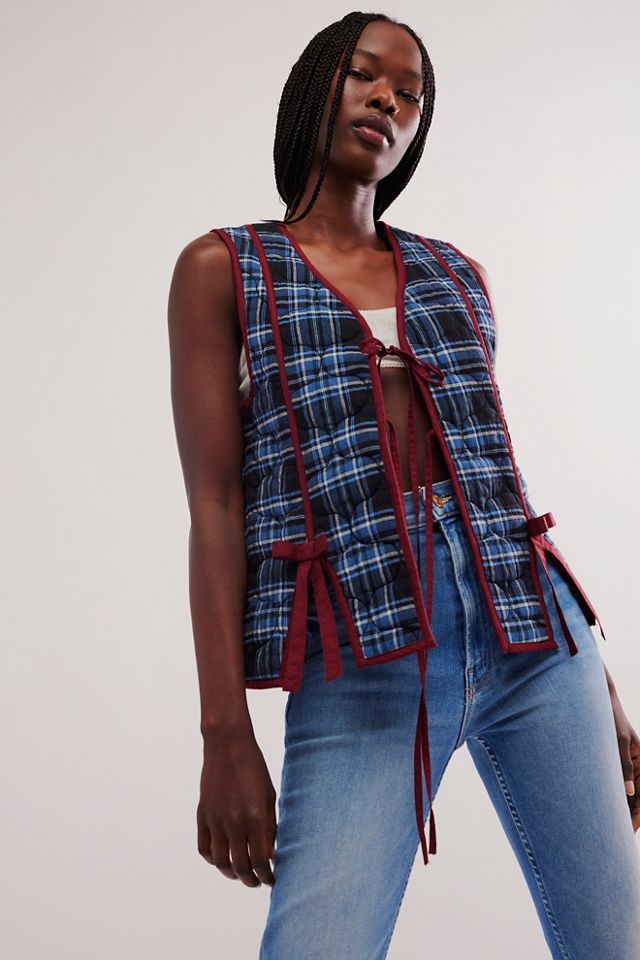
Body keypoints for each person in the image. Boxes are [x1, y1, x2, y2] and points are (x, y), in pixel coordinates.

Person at [167, 11, 640, 958]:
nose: (389, 100)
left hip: (536, 645)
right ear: (315, 85)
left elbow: (497, 487)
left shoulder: (457, 274)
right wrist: (225, 733)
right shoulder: (225, 269)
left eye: (412, 95)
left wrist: (606, 695)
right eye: (365, 75)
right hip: (361, 659)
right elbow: (215, 506)